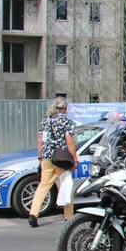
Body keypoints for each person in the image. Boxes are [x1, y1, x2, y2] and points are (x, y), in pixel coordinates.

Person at [29, 97, 77, 227]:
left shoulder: (45, 120)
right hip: (61, 158)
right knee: (66, 186)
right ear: (65, 108)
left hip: (46, 157)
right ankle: (68, 218)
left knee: (43, 186)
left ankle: (33, 214)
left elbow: (40, 141)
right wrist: (74, 159)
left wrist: (40, 157)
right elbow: (69, 141)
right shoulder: (66, 120)